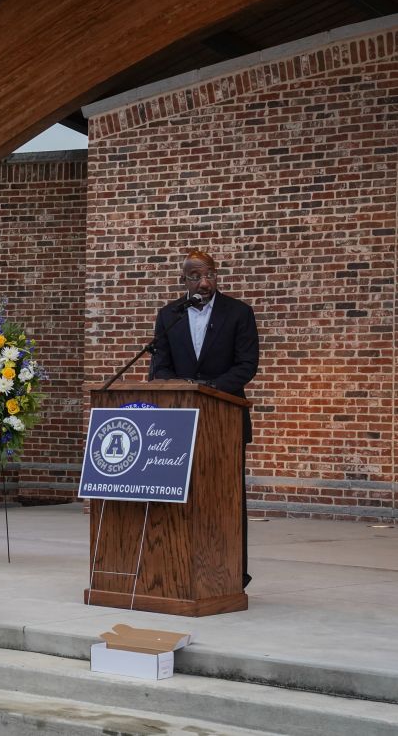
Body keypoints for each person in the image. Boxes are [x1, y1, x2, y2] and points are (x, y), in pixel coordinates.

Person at [149, 249, 259, 586]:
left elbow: (246, 365)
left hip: (223, 419)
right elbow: (159, 366)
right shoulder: (170, 315)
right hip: (178, 422)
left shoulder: (239, 313)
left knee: (225, 499)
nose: (204, 282)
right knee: (180, 498)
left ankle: (231, 572)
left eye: (209, 274)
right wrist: (182, 389)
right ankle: (178, 570)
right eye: (196, 276)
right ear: (184, 279)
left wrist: (208, 389)